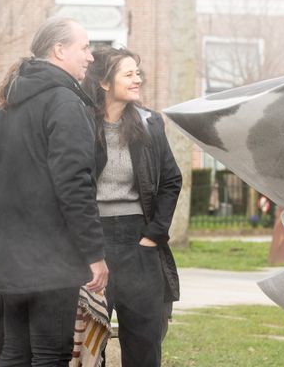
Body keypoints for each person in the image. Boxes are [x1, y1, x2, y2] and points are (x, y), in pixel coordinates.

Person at [0, 17, 109, 367]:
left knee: (14, 352)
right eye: (84, 47)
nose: (91, 57)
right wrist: (94, 253)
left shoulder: (2, 103)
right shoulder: (64, 103)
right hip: (52, 258)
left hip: (8, 255)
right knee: (50, 355)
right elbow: (75, 184)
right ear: (59, 50)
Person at [81, 47, 182, 367]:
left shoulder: (150, 123)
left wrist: (153, 236)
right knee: (86, 347)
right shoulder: (80, 123)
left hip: (139, 242)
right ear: (104, 83)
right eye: (128, 74)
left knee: (144, 345)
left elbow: (171, 180)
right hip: (92, 242)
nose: (137, 79)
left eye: (137, 73)